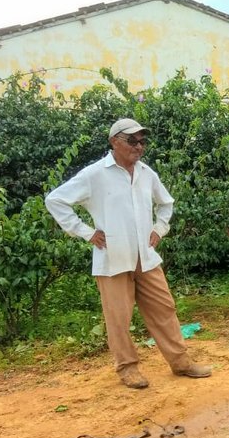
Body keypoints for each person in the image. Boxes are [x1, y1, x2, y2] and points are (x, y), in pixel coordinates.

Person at [45, 118, 212, 390]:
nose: (139, 146)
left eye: (142, 141)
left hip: (146, 257)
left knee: (164, 309)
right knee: (118, 318)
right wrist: (85, 232)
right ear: (114, 142)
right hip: (113, 258)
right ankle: (127, 367)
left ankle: (181, 362)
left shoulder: (146, 173)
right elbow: (55, 199)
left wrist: (159, 228)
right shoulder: (95, 174)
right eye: (132, 140)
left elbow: (166, 203)